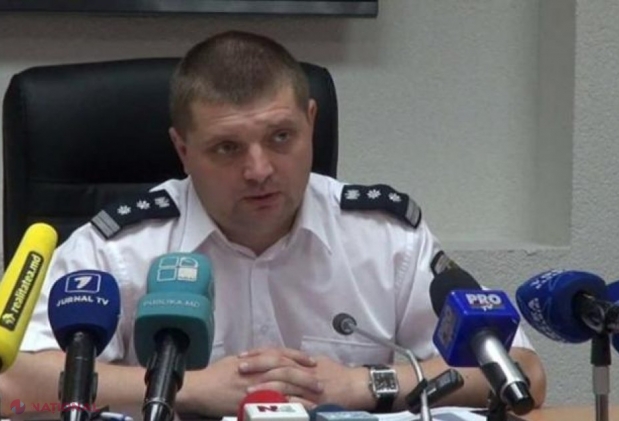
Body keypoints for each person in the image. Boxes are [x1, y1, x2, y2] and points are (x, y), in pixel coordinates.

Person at [0, 30, 546, 417]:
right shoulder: (118, 248)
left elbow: (522, 372)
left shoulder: (385, 238)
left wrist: (361, 384)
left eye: (281, 137)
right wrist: (189, 389)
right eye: (227, 147)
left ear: (311, 122)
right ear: (183, 150)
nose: (259, 170)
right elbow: (10, 383)